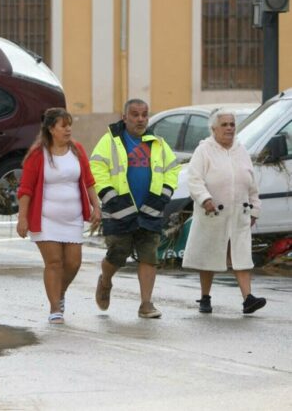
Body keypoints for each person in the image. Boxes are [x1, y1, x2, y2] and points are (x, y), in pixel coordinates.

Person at [90, 99, 181, 318]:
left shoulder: (157, 143)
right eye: (135, 114)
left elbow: (172, 168)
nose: (140, 119)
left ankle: (146, 304)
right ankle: (105, 280)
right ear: (125, 117)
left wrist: (165, 194)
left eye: (144, 115)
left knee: (149, 255)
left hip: (150, 209)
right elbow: (97, 168)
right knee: (117, 254)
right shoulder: (109, 141)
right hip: (118, 210)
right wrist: (110, 197)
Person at [17, 108, 101, 324]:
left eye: (69, 124)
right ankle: (55, 307)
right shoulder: (37, 155)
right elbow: (25, 189)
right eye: (63, 125)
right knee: (54, 262)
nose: (68, 129)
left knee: (73, 263)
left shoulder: (78, 150)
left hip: (72, 219)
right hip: (46, 219)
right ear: (51, 129)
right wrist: (23, 218)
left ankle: (59, 292)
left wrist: (96, 207)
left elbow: (89, 182)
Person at [182, 108, 266, 314]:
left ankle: (248, 299)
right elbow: (194, 179)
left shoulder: (241, 150)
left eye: (232, 125)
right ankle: (205, 297)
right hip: (213, 214)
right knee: (210, 255)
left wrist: (255, 208)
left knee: (241, 255)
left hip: (239, 214)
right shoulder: (204, 151)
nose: (229, 128)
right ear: (213, 129)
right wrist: (205, 198)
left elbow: (251, 183)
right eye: (224, 125)